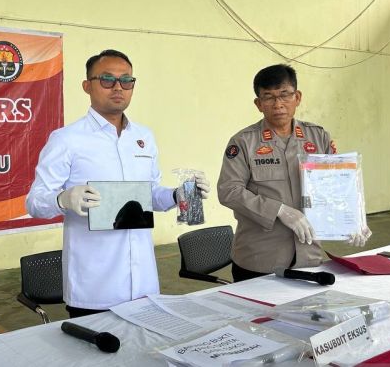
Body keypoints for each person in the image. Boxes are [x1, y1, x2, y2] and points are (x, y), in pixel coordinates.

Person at [26, 49, 210, 317]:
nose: (118, 87)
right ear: (87, 86)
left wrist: (178, 195)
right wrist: (62, 199)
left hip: (144, 283)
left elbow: (150, 194)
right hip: (94, 286)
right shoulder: (67, 140)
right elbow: (34, 202)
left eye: (126, 80)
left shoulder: (143, 137)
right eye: (107, 79)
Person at [217, 64, 371, 282]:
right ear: (259, 104)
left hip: (309, 257)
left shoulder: (318, 137)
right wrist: (280, 210)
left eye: (285, 94)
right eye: (268, 97)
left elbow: (335, 186)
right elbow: (229, 191)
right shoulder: (243, 142)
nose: (278, 104)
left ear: (297, 97)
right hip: (260, 259)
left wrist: (352, 221)